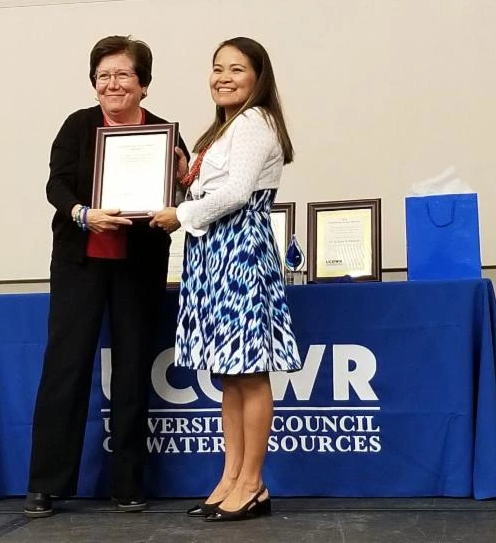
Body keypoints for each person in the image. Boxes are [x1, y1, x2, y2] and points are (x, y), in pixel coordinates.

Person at [24, 35, 189, 518]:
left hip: (138, 266)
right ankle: (46, 484)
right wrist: (82, 213)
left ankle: (129, 483)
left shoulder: (165, 134)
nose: (111, 84)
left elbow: (182, 196)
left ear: (144, 84)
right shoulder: (79, 125)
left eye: (122, 75)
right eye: (102, 76)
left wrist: (184, 179)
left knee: (135, 368)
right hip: (81, 262)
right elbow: (56, 183)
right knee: (66, 367)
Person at [150, 37, 301, 522]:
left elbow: (236, 193)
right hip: (213, 253)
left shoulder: (256, 122)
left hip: (240, 253)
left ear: (259, 77)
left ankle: (253, 483)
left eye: (237, 69)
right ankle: (230, 476)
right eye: (217, 68)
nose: (224, 77)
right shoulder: (222, 130)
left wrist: (181, 211)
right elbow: (214, 186)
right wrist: (183, 178)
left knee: (251, 372)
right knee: (230, 375)